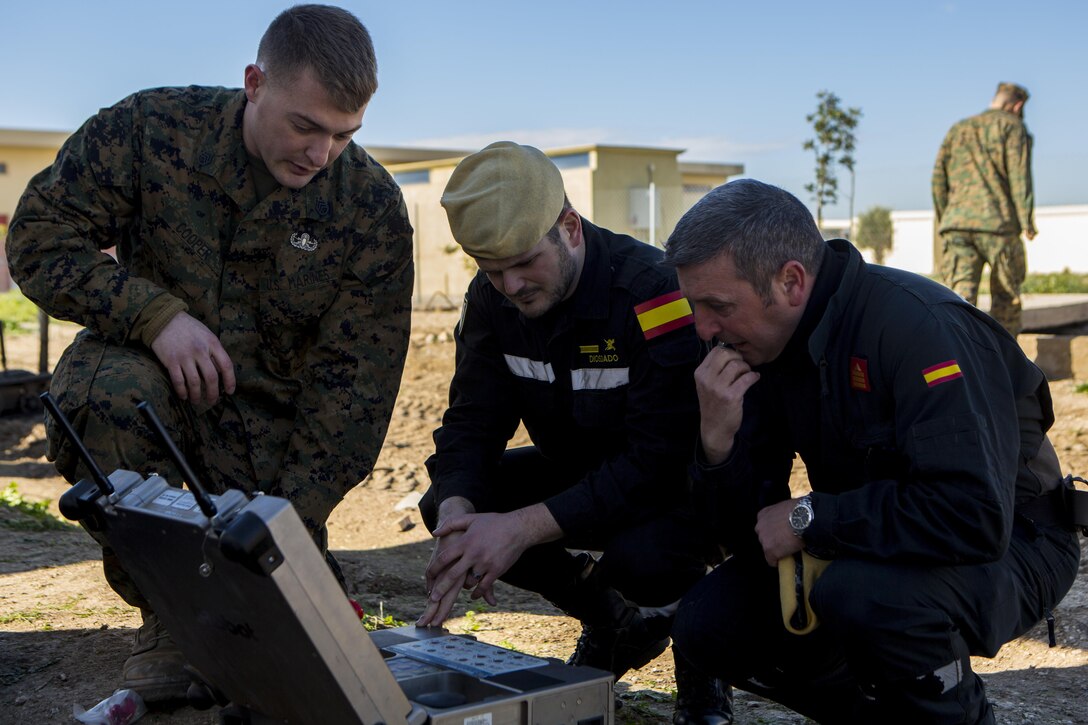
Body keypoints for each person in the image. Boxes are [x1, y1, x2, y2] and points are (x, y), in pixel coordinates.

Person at [6, 4, 413, 703]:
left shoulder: (369, 208)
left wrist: (283, 529)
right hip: (166, 421)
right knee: (101, 383)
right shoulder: (151, 130)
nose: (321, 155)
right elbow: (39, 237)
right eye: (305, 126)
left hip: (275, 460)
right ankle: (169, 616)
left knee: (299, 664)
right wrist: (155, 316)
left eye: (345, 135)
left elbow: (355, 396)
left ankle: (259, 593)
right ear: (255, 82)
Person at [664, 179, 1081, 724]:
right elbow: (749, 537)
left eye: (717, 305)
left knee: (865, 597)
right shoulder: (759, 342)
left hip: (1018, 542)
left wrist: (814, 515)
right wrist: (716, 446)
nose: (703, 327)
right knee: (708, 622)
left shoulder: (918, 328)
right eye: (694, 305)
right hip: (878, 537)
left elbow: (973, 515)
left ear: (791, 281)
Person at [416, 141, 731, 724]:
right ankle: (614, 620)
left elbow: (658, 460)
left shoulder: (652, 294)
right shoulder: (492, 298)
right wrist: (461, 514)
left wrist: (519, 529)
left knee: (645, 558)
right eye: (491, 269)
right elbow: (471, 421)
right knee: (448, 502)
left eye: (524, 262)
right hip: (575, 471)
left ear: (569, 226)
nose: (510, 285)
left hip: (665, 489)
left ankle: (698, 657)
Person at [932, 81, 1036, 336]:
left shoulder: (959, 128)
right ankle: (1006, 369)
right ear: (1018, 105)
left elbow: (938, 180)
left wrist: (948, 215)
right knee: (1006, 300)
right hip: (998, 225)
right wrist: (1027, 221)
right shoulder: (1012, 126)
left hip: (957, 225)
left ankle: (958, 366)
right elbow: (1019, 176)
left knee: (958, 301)